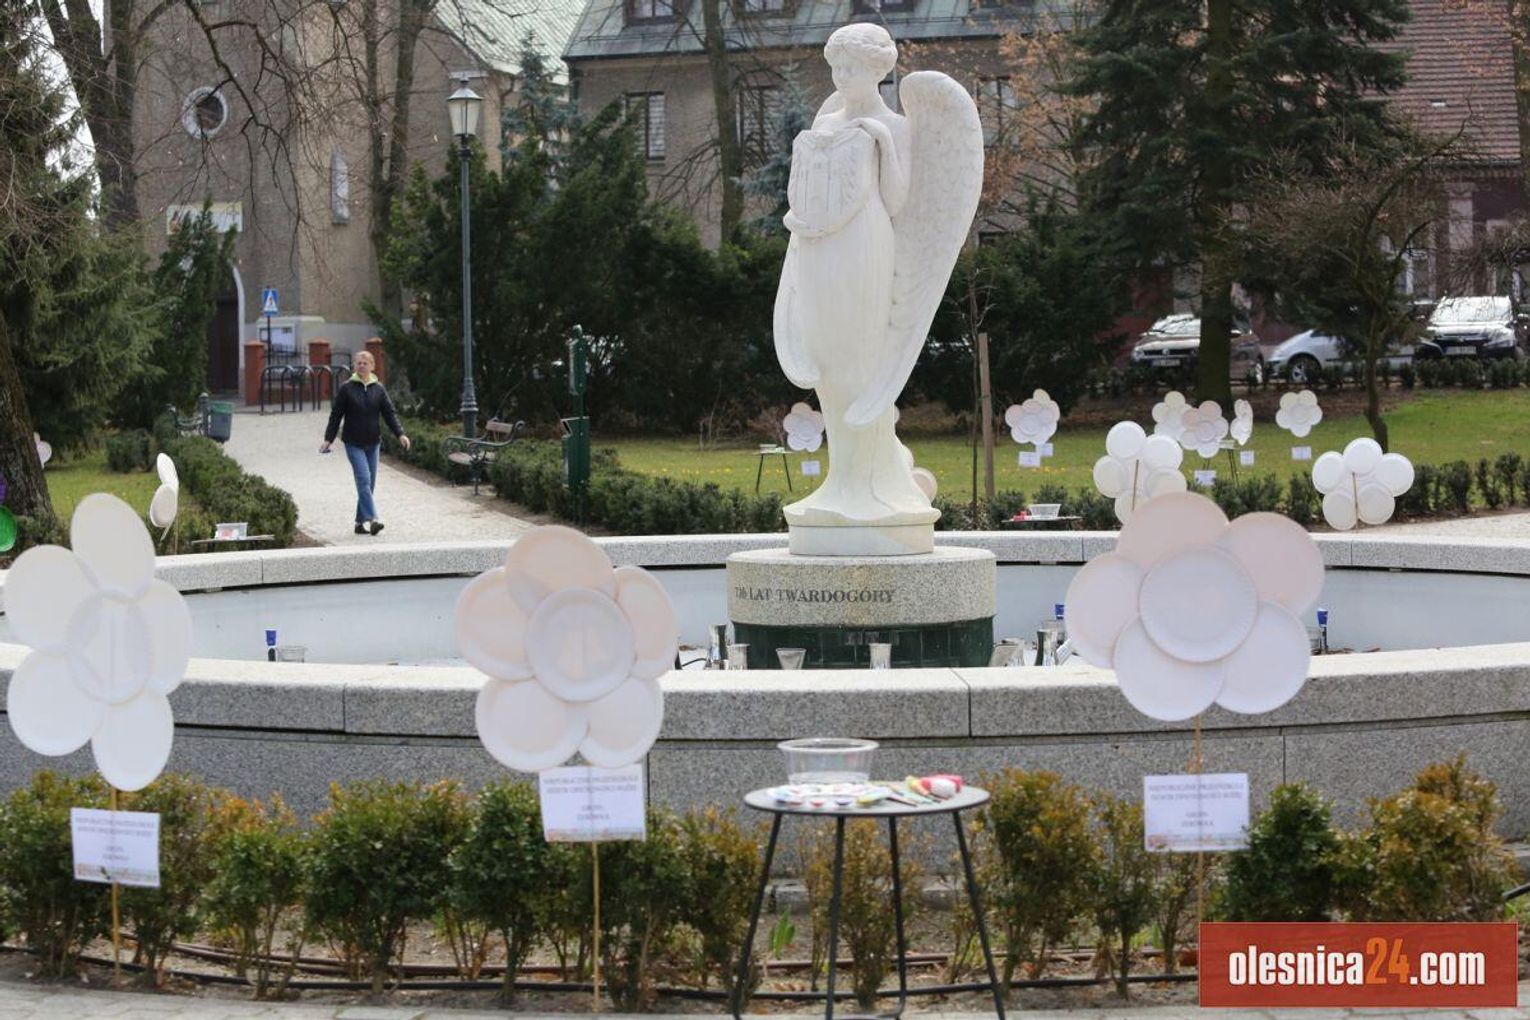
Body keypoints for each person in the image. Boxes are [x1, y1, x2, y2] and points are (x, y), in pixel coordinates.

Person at [321, 349, 410, 535]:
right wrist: (328, 439)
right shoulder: (346, 388)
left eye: (365, 363)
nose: (361, 366)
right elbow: (336, 415)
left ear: (372, 366)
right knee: (364, 479)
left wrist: (400, 434)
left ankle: (358, 523)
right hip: (353, 442)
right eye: (358, 363)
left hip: (373, 442)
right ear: (354, 365)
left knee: (369, 484)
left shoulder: (379, 389)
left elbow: (389, 413)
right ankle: (373, 519)